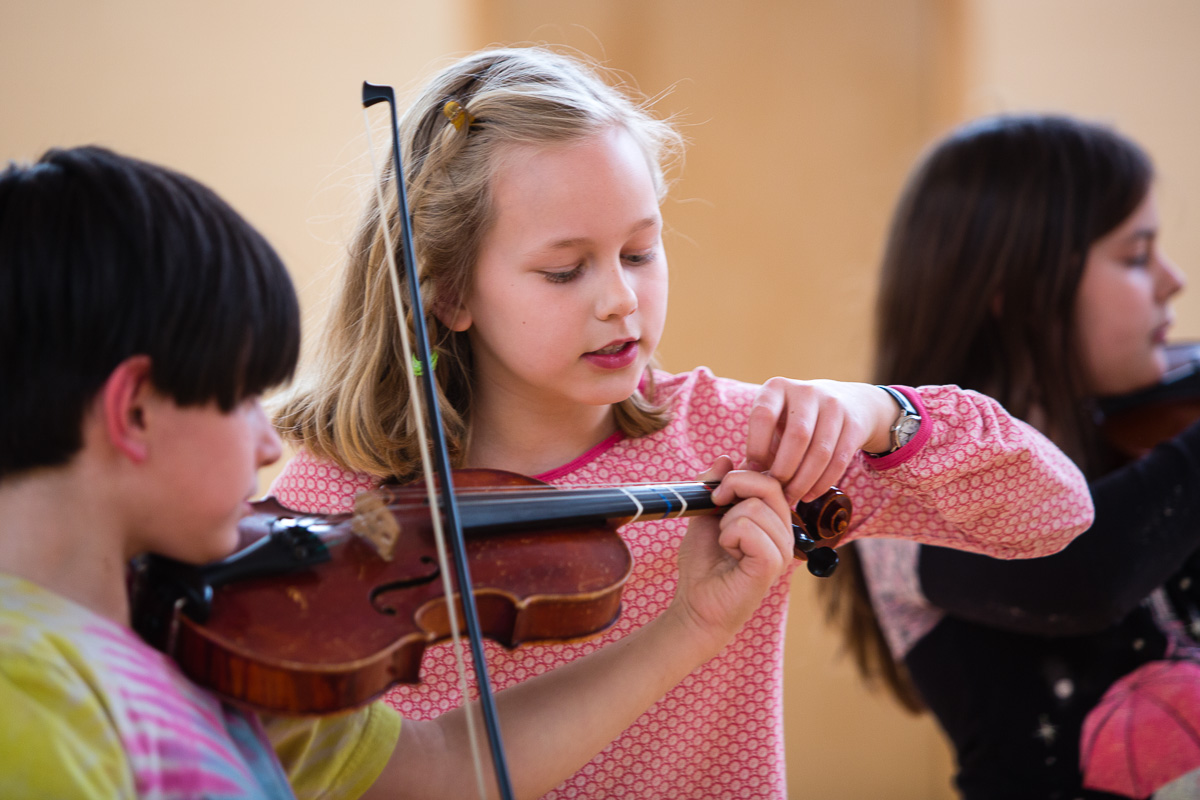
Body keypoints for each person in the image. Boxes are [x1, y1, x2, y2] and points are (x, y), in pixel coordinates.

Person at [269, 47, 1094, 799]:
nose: (621, 299)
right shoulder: (345, 489)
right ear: (447, 291)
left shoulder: (738, 447)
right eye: (564, 270)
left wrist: (875, 410)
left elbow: (1054, 515)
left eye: (639, 251)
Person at [0, 144, 815, 800]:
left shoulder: (205, 634)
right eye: (243, 398)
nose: (267, 444)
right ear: (134, 411)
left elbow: (439, 773)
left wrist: (691, 628)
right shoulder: (25, 706)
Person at [818, 113, 1200, 799]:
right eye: (1137, 255)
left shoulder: (1143, 428)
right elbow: (1084, 572)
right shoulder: (910, 487)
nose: (1173, 279)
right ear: (1020, 290)